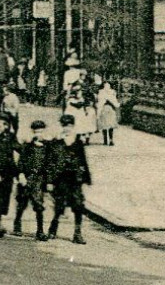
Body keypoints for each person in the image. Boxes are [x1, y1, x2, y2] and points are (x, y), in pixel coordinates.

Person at [45, 114, 91, 243]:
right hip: (61, 178)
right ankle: (53, 228)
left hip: (75, 178)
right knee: (59, 205)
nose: (67, 129)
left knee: (78, 205)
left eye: (70, 126)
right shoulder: (56, 142)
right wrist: (49, 180)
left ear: (73, 126)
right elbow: (50, 162)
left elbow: (83, 160)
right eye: (65, 126)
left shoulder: (78, 142)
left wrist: (86, 178)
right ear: (62, 126)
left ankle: (77, 233)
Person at [13, 120, 52, 240]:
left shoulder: (48, 148)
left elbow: (51, 165)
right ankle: (17, 224)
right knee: (22, 202)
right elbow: (21, 162)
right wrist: (21, 175)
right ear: (32, 132)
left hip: (39, 179)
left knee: (38, 204)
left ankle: (40, 231)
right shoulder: (27, 147)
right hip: (27, 177)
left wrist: (49, 180)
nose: (38, 134)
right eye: (36, 131)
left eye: (41, 131)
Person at [95, 78, 120, 147]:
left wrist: (111, 101)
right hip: (104, 109)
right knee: (104, 125)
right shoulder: (101, 92)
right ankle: (105, 140)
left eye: (108, 85)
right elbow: (100, 101)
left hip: (110, 109)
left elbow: (115, 101)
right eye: (105, 85)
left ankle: (111, 140)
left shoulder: (112, 92)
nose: (107, 86)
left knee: (111, 124)